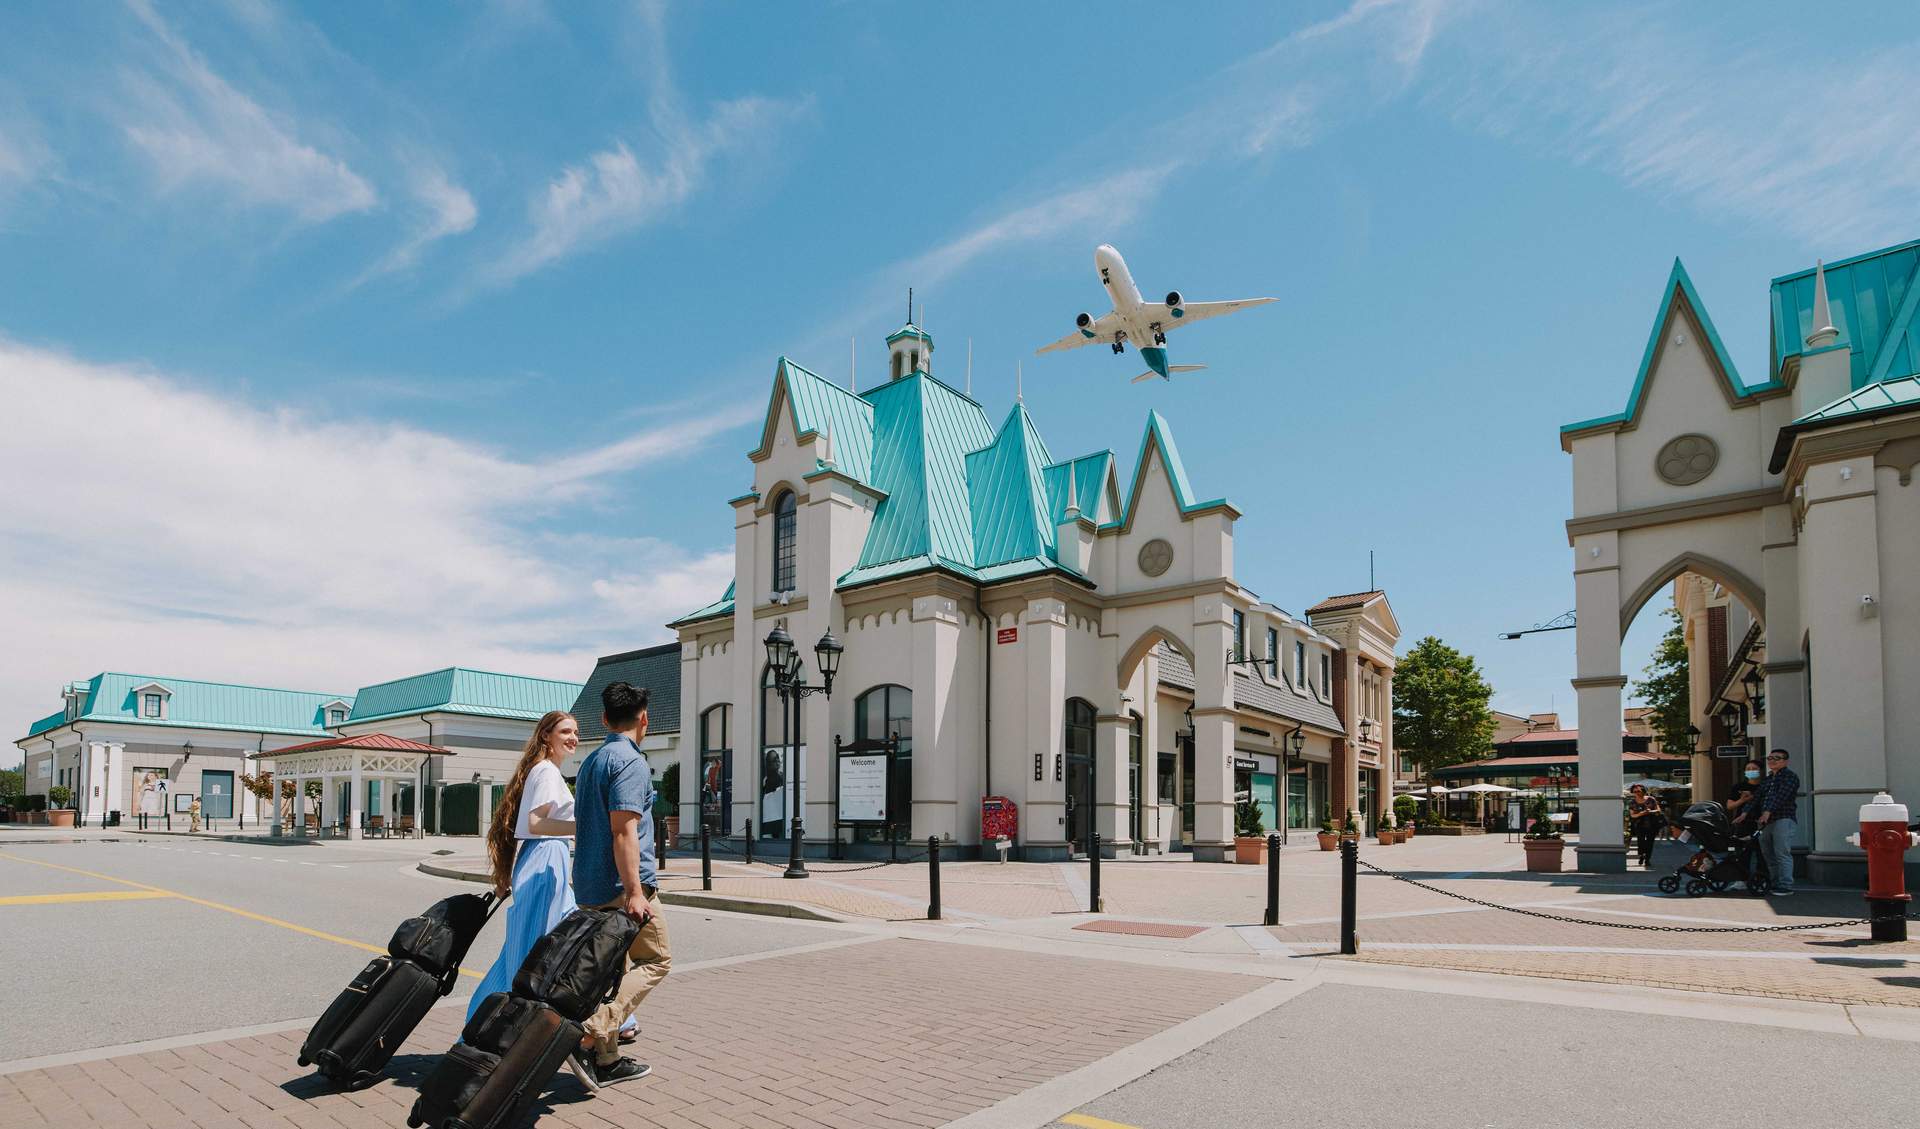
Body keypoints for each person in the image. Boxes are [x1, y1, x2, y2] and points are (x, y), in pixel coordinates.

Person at [569, 681, 669, 1088]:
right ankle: (588, 1034)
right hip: (621, 886)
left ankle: (608, 1061)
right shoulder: (629, 762)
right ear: (645, 718)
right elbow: (624, 831)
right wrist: (634, 892)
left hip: (590, 884)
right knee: (657, 959)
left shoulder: (592, 761)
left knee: (615, 970)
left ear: (605, 719)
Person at [465, 712, 580, 1023]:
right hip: (544, 859)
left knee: (534, 948)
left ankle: (483, 1019)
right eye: (566, 731)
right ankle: (493, 1022)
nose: (574, 737)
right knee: (532, 951)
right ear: (546, 736)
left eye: (576, 732)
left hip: (545, 858)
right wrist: (578, 827)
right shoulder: (545, 772)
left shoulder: (545, 771)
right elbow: (535, 822)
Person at [1756, 749, 1801, 895]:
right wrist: (1744, 813)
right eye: (1769, 758)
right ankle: (1774, 883)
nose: (1772, 760)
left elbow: (1781, 796)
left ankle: (1786, 885)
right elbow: (1757, 797)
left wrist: (1767, 811)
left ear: (1785, 761)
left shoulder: (1790, 777)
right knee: (1767, 852)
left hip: (1783, 818)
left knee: (1782, 852)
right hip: (1767, 821)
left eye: (1777, 758)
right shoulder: (1768, 779)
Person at [1627, 784, 1663, 868]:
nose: (1637, 793)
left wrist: (1650, 812)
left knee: (1650, 843)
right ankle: (1641, 855)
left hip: (1652, 824)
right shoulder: (1632, 802)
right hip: (1639, 825)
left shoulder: (1651, 799)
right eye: (1635, 791)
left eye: (1639, 791)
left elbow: (1658, 810)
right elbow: (1632, 815)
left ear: (1643, 791)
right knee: (1641, 842)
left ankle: (1647, 859)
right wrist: (1642, 813)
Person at [1726, 760, 1762, 835]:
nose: (1751, 771)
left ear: (1760, 770)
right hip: (1743, 822)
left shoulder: (1765, 786)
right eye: (1748, 769)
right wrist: (1742, 800)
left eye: (1754, 769)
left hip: (1762, 820)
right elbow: (1729, 806)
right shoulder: (1739, 786)